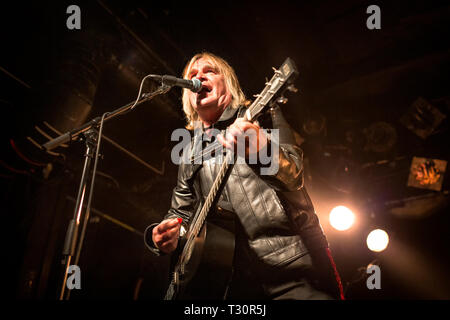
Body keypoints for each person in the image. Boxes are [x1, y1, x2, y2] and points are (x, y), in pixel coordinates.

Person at [144, 52, 344, 300]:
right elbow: (181, 213)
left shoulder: (262, 117)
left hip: (290, 266)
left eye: (209, 71)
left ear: (227, 82)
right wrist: (164, 235)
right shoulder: (188, 152)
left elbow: (295, 177)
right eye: (192, 75)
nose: (198, 77)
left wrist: (262, 150)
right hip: (223, 282)